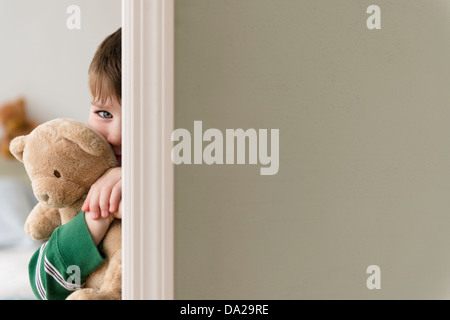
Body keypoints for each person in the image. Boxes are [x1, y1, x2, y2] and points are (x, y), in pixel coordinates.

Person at [28, 28, 122, 300]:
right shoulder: (75, 181)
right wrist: (95, 218)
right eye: (104, 113)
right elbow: (44, 287)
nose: (115, 135)